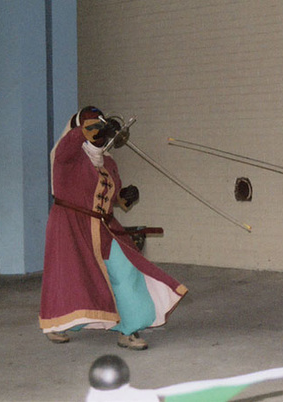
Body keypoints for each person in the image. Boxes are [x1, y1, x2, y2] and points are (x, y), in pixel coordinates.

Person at [39, 106, 187, 350]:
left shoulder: (107, 161)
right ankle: (58, 322)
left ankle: (129, 329)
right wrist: (86, 128)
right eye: (93, 127)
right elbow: (72, 141)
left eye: (102, 126)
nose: (100, 132)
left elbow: (113, 197)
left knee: (126, 270)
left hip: (105, 228)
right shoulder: (66, 157)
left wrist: (125, 197)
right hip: (72, 227)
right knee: (73, 277)